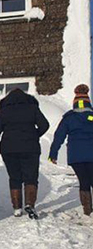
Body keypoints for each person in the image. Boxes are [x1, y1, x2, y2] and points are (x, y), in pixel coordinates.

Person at [0, 88, 50, 219]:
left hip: (9, 149)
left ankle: (17, 208)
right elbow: (44, 125)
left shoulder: (4, 111)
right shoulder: (32, 108)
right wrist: (34, 135)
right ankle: (30, 204)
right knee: (31, 177)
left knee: (14, 177)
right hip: (30, 148)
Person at [49, 84, 93, 217]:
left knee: (84, 181)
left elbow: (59, 136)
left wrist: (53, 154)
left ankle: (87, 209)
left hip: (76, 156)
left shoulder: (68, 118)